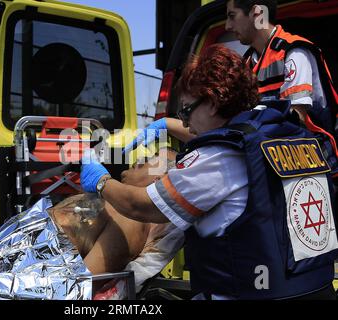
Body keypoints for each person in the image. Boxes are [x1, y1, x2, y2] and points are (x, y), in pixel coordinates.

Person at [80, 44, 338, 299]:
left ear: (213, 103)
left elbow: (141, 206)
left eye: (186, 110)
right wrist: (165, 125)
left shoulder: (216, 160)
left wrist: (101, 181)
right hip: (316, 289)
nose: (184, 122)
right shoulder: (286, 133)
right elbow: (232, 136)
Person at [225, 0, 338, 152]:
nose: (228, 26)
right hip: (270, 154)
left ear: (257, 13)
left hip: (311, 159)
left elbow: (297, 118)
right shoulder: (245, 64)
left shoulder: (294, 52)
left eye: (232, 16)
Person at [48, 148, 183, 275]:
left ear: (159, 181)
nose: (142, 158)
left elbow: (85, 281)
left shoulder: (132, 221)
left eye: (154, 158)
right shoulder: (113, 204)